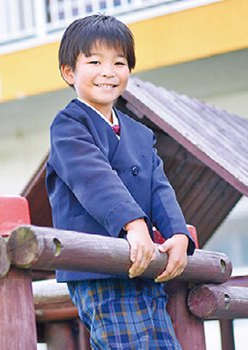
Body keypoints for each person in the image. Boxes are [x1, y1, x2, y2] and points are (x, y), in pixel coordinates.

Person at [46, 14, 196, 349]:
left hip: (144, 267)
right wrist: (134, 224)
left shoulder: (140, 133)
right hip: (98, 267)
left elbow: (159, 187)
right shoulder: (68, 125)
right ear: (69, 71)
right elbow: (94, 178)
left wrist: (177, 234)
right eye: (95, 61)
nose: (108, 71)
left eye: (119, 62)